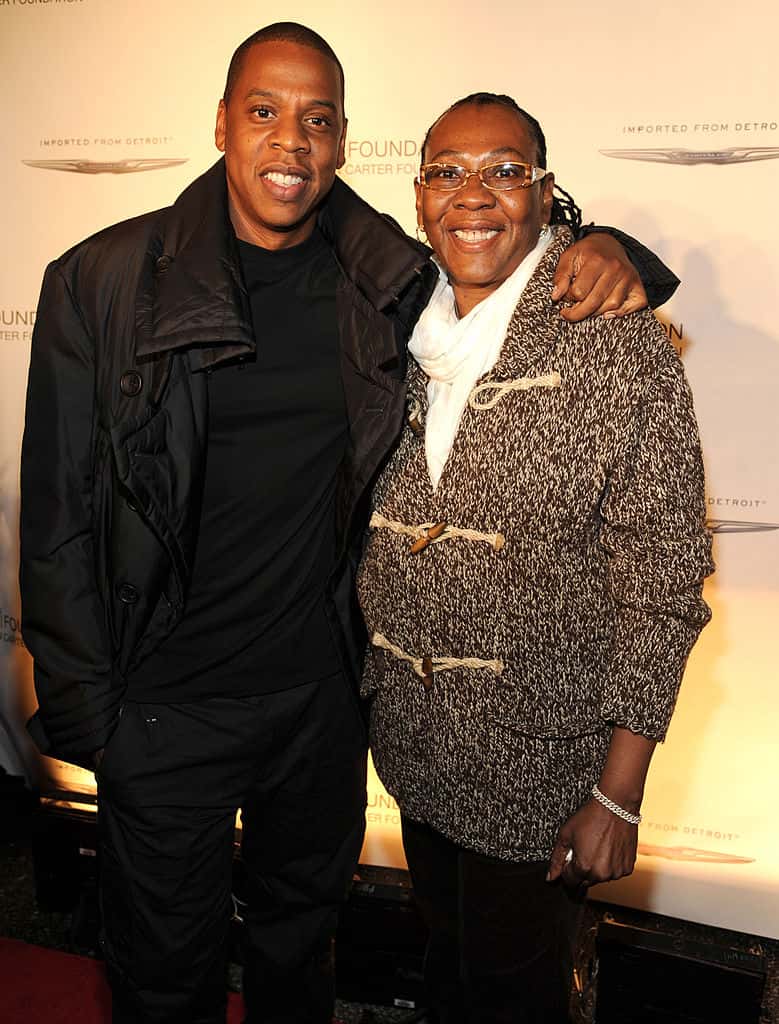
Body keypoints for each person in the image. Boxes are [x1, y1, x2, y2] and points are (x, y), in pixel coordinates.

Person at [20, 20, 679, 1024]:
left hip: (319, 709)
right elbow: (58, 517)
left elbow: (501, 243)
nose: (290, 140)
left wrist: (606, 244)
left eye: (317, 119)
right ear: (221, 124)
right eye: (264, 112)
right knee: (162, 974)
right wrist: (91, 717)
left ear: (340, 141)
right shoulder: (103, 279)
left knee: (299, 954)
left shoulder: (381, 277)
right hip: (163, 712)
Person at [357, 93, 713, 1024]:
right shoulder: (393, 321)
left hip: (540, 769)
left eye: (504, 172)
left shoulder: (615, 342)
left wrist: (618, 794)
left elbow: (663, 582)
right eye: (447, 172)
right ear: (419, 196)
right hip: (414, 746)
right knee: (445, 966)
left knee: (513, 995)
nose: (473, 194)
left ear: (545, 193)